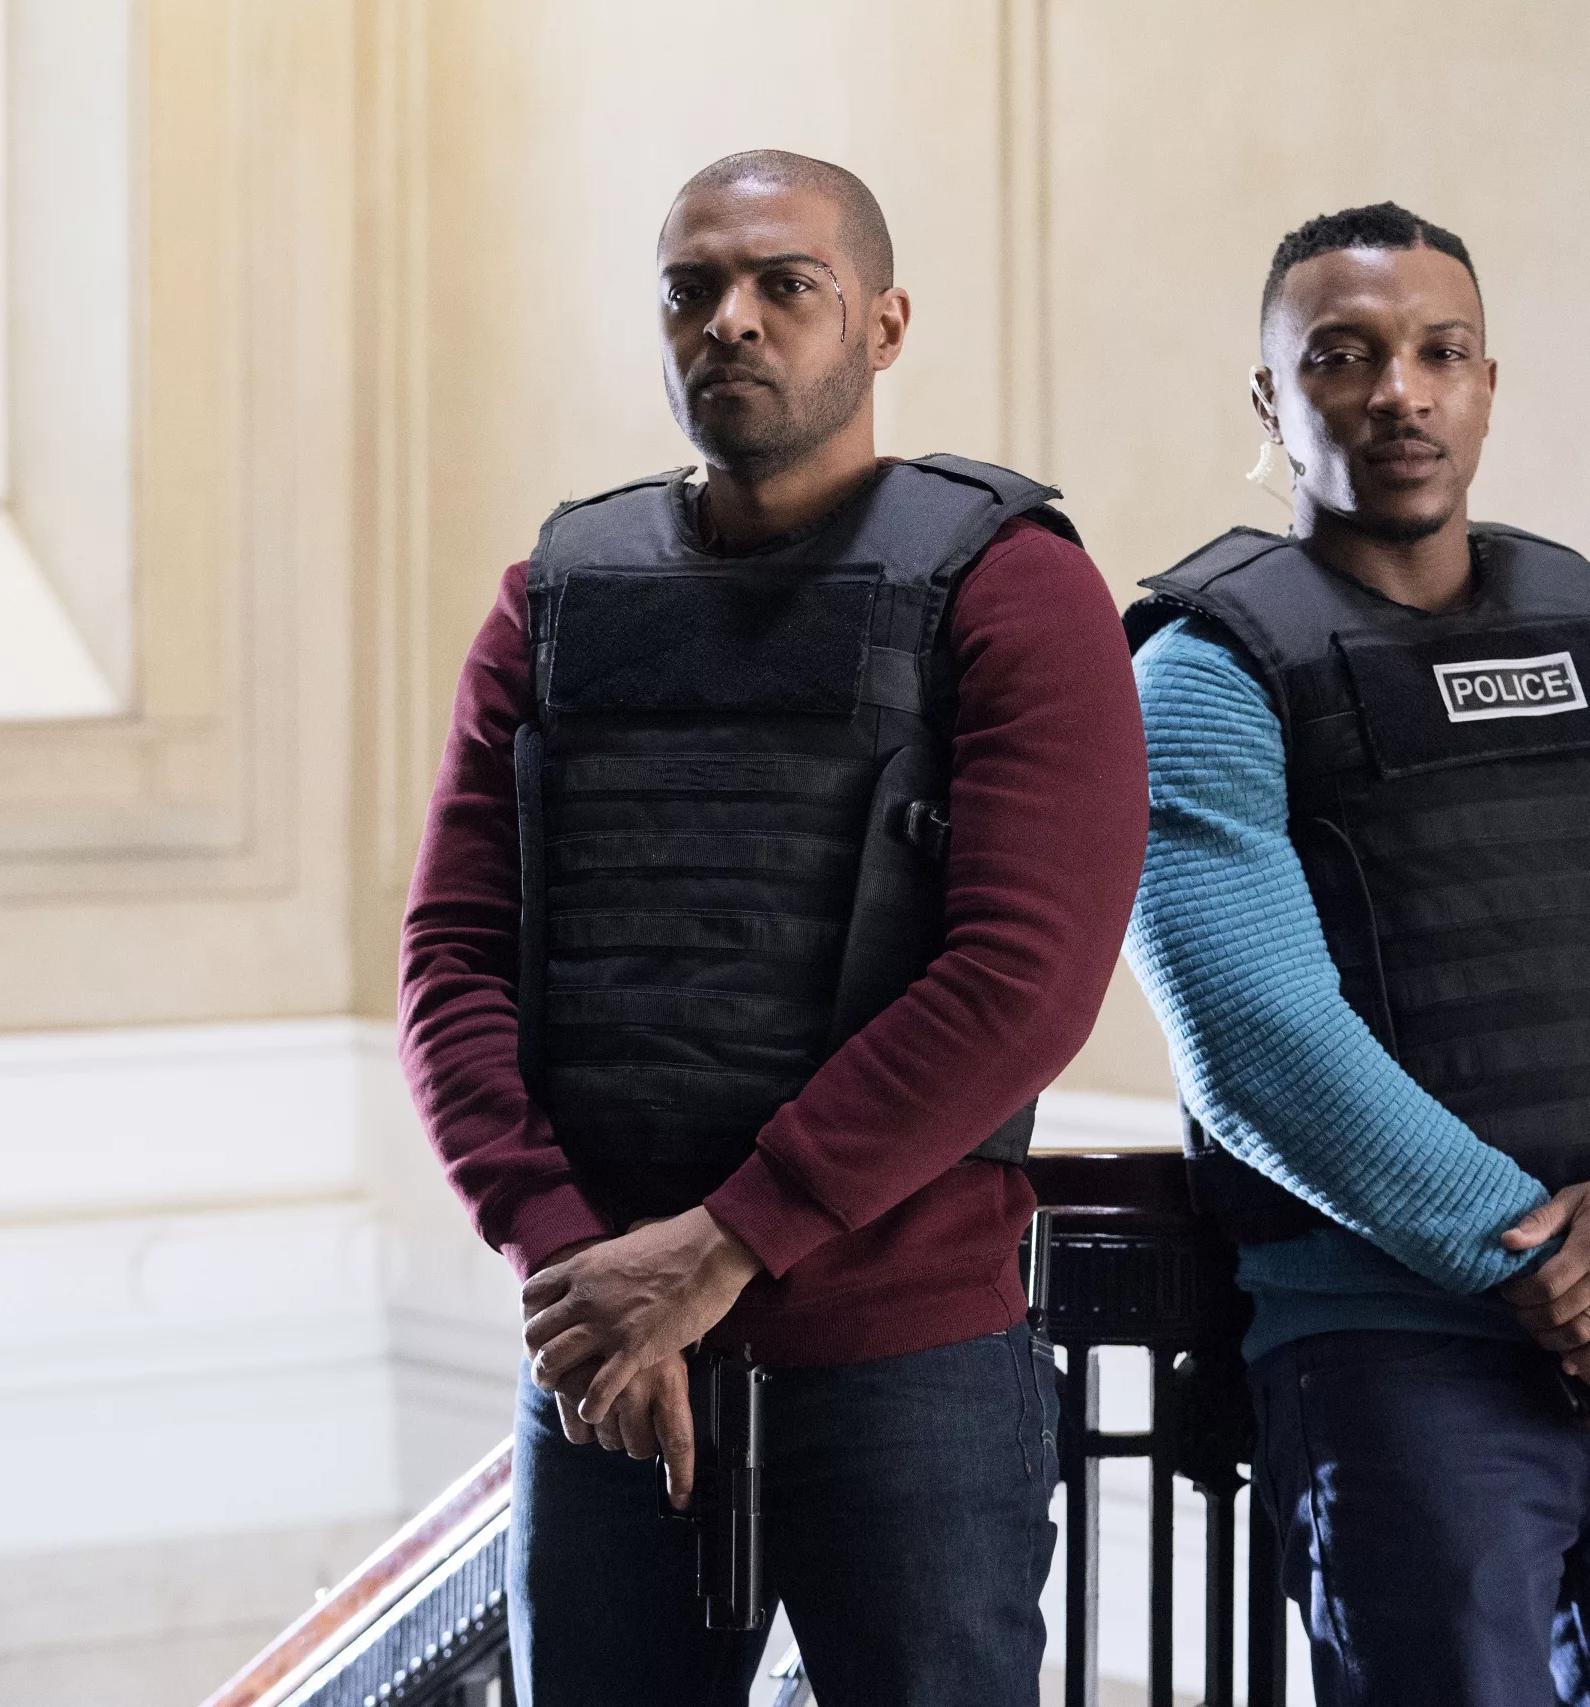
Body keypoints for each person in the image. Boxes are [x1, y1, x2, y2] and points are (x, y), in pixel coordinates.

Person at [397, 149, 1147, 1706]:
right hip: (607, 1359)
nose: (730, 319)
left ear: (884, 324)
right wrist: (579, 1265)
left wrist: (722, 1245)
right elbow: (451, 961)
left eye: (785, 284)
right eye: (693, 289)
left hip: (903, 1366)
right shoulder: (556, 597)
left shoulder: (1012, 588)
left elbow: (1021, 980)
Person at [1122, 201, 1590, 1706]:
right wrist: (1574, 1278)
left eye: (1441, 354)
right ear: (1272, 400)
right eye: (1343, 357)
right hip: (1398, 1357)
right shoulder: (1203, 680)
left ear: (1488, 386)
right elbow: (1261, 1050)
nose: (1401, 393)